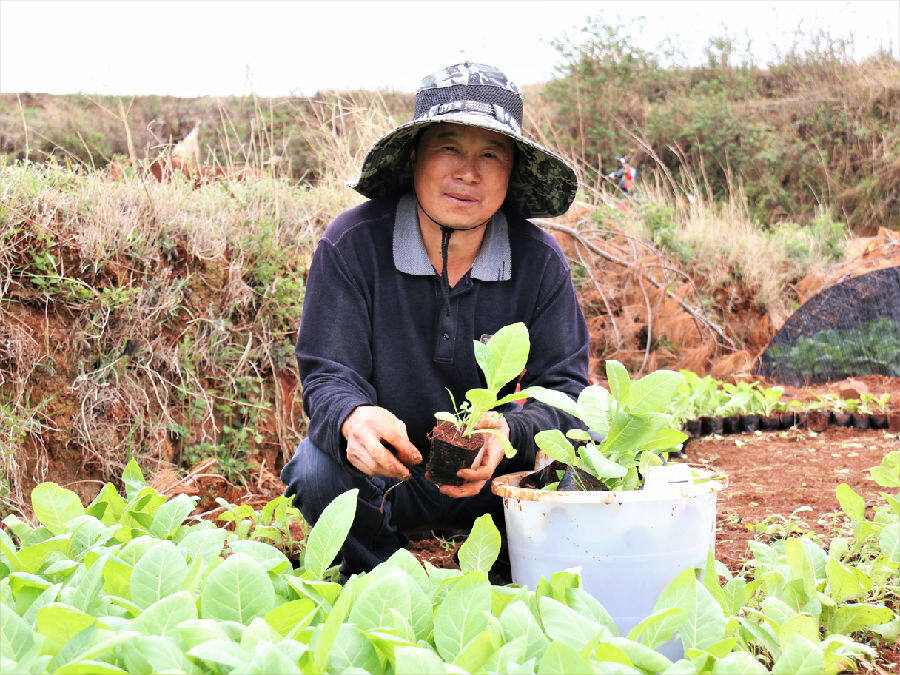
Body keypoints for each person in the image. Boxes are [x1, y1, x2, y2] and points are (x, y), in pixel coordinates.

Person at [280, 62, 590, 581]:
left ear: (511, 172)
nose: (469, 172)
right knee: (315, 472)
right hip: (392, 479)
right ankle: (386, 582)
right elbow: (328, 373)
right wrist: (355, 418)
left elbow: (565, 389)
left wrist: (511, 432)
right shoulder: (353, 245)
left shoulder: (539, 261)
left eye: (491, 153)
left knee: (583, 469)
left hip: (498, 483)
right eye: (449, 146)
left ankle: (509, 587)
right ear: (414, 157)